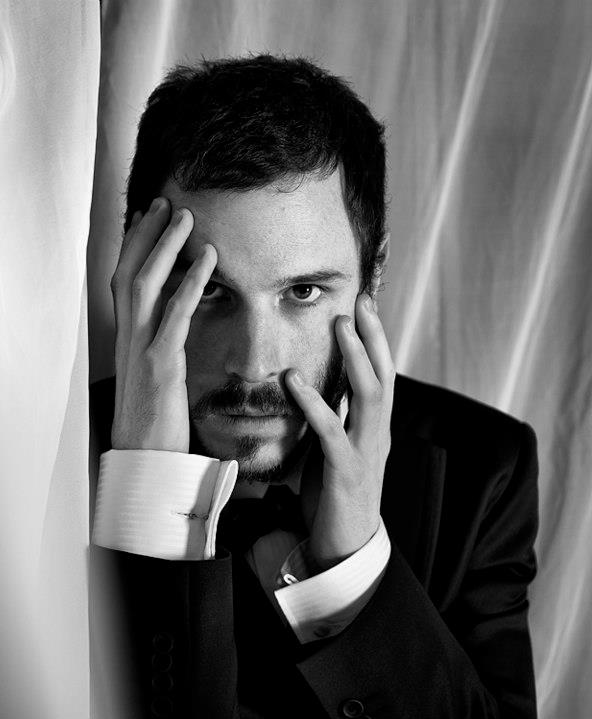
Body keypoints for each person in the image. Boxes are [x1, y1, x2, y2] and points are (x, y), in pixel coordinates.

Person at [89, 55, 539, 719]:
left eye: (302, 291)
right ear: (138, 270)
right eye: (208, 291)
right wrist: (150, 501)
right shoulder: (35, 460)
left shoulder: (483, 471)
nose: (253, 365)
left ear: (372, 274)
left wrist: (354, 569)